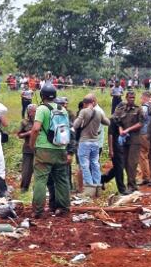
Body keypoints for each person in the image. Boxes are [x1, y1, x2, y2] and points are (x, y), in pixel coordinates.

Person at [30, 85, 70, 218]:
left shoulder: (41, 108)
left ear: (42, 96)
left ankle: (38, 211)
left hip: (44, 149)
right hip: (61, 148)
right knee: (62, 180)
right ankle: (63, 208)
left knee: (40, 180)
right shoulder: (63, 109)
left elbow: (36, 129)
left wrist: (32, 144)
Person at [105, 91, 144, 192]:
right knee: (125, 163)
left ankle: (132, 185)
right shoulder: (121, 109)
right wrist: (121, 129)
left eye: (133, 97)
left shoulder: (138, 109)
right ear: (126, 98)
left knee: (132, 163)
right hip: (124, 140)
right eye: (130, 97)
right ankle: (131, 184)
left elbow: (141, 123)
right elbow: (115, 120)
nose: (132, 99)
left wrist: (128, 130)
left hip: (135, 139)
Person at [73, 93, 109, 189]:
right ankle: (97, 184)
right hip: (95, 142)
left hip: (85, 142)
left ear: (85, 103)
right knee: (95, 163)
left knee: (84, 164)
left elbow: (76, 125)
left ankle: (89, 186)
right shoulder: (99, 112)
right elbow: (107, 122)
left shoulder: (84, 111)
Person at [17, 104, 37, 193]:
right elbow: (19, 135)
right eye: (34, 111)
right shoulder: (24, 122)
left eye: (36, 111)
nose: (36, 113)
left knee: (39, 170)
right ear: (29, 112)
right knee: (26, 171)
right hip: (28, 149)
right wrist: (28, 133)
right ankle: (24, 188)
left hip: (39, 149)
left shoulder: (40, 121)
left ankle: (37, 189)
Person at [138, 92, 151, 186]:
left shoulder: (143, 108)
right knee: (150, 155)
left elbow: (139, 121)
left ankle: (146, 177)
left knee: (143, 155)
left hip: (143, 133)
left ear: (144, 98)